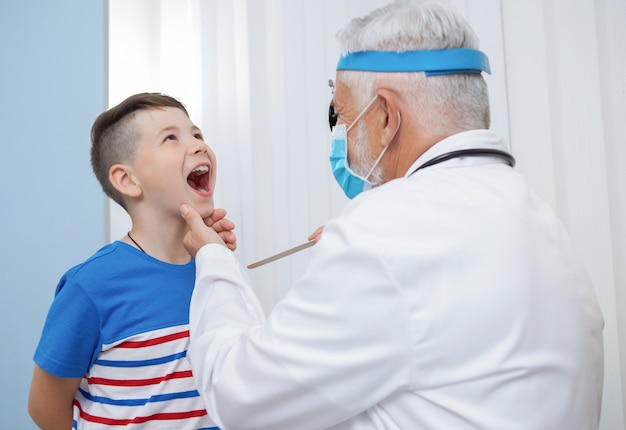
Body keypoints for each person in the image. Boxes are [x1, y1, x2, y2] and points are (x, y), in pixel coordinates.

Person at [180, 1, 604, 429]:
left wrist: (214, 261)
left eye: (341, 117)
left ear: (385, 116)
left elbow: (239, 397)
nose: (342, 137)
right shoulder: (539, 220)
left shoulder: (383, 233)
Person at [28, 92, 236, 429]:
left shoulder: (215, 267)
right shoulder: (91, 286)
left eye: (197, 134)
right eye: (171, 137)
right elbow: (43, 407)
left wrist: (219, 265)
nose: (198, 145)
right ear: (127, 180)